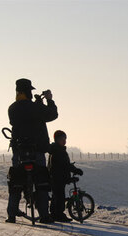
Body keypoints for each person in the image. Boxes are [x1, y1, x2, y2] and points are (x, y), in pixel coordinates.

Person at [6, 78, 58, 223]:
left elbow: (20, 118)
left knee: (15, 181)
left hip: (19, 150)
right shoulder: (36, 107)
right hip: (37, 150)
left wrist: (36, 105)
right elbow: (52, 114)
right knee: (41, 181)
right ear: (29, 92)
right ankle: (44, 215)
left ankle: (11, 214)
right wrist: (48, 100)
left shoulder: (12, 108)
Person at [48, 130, 83, 222]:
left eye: (65, 139)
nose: (65, 141)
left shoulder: (56, 150)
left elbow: (65, 164)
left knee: (56, 196)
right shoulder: (58, 151)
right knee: (59, 196)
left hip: (57, 177)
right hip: (58, 177)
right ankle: (58, 214)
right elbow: (65, 165)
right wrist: (75, 170)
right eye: (63, 139)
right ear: (58, 139)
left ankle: (54, 213)